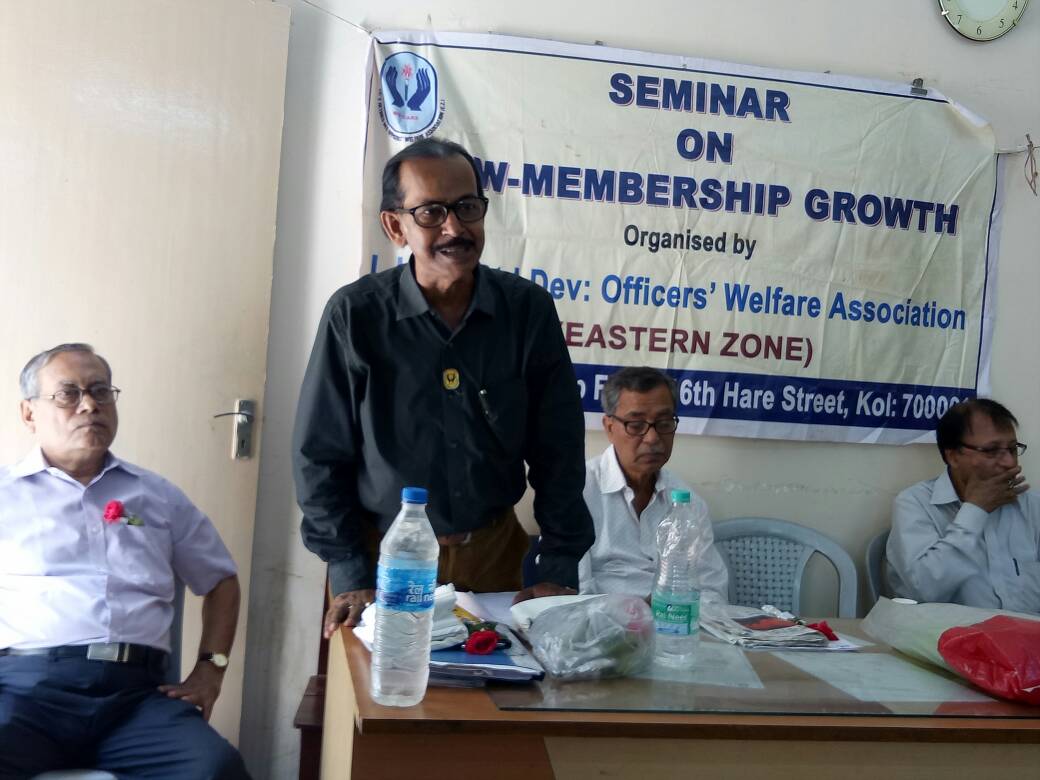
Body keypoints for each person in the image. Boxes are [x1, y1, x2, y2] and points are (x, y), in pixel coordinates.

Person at [293, 137, 594, 635]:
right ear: (396, 226)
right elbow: (319, 455)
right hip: (383, 560)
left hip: (495, 557)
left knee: (499, 683)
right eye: (431, 212)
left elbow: (558, 450)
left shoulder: (527, 311)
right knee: (386, 684)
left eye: (467, 207)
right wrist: (349, 571)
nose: (455, 228)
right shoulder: (356, 315)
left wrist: (558, 566)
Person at [0, 343, 248, 778]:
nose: (90, 405)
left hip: (137, 699)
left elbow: (220, 581)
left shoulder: (157, 495)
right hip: (27, 692)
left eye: (101, 391)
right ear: (29, 413)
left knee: (214, 768)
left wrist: (211, 671)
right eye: (69, 394)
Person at [578, 367, 728, 603]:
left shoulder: (689, 503)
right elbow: (572, 595)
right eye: (636, 425)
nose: (652, 438)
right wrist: (639, 611)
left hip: (675, 621)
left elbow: (713, 591)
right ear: (609, 427)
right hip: (603, 624)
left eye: (664, 423)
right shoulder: (578, 492)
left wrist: (666, 610)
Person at [886, 398, 1039, 613]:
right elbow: (924, 591)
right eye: (992, 451)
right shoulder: (915, 504)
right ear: (953, 456)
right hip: (946, 632)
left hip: (1027, 632)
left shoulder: (1031, 505)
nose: (1010, 462)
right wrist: (976, 510)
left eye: (1013, 449)